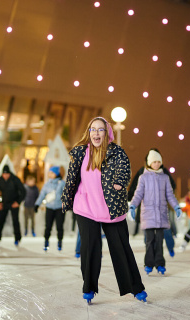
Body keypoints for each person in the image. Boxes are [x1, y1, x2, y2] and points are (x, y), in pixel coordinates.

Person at [61, 116, 147, 304]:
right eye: (93, 129)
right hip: (85, 206)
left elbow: (125, 169)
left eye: (100, 129)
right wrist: (66, 198)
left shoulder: (116, 152)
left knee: (121, 247)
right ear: (88, 133)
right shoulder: (81, 153)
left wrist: (119, 182)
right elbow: (71, 178)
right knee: (90, 247)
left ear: (107, 133)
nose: (96, 133)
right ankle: (89, 287)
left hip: (111, 207)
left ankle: (136, 287)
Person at [129, 149, 182, 276]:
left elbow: (170, 195)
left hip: (161, 215)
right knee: (149, 241)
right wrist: (132, 206)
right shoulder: (143, 177)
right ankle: (148, 264)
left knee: (159, 241)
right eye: (154, 162)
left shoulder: (165, 178)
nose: (157, 164)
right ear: (149, 163)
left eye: (159, 162)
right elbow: (138, 194)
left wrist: (176, 207)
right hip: (148, 214)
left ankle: (160, 264)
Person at [0, 164, 26, 246]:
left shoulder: (15, 179)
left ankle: (17, 238)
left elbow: (23, 191)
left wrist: (18, 202)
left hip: (14, 203)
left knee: (15, 221)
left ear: (9, 173)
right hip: (4, 203)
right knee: (0, 221)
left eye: (7, 174)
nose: (5, 176)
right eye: (4, 174)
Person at [35, 166, 65, 251]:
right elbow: (42, 194)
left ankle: (59, 242)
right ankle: (46, 241)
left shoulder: (61, 183)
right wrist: (37, 204)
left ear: (56, 174)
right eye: (49, 172)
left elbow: (66, 194)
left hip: (59, 208)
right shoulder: (47, 184)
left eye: (52, 173)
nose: (50, 174)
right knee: (48, 226)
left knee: (59, 226)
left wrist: (67, 205)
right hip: (49, 208)